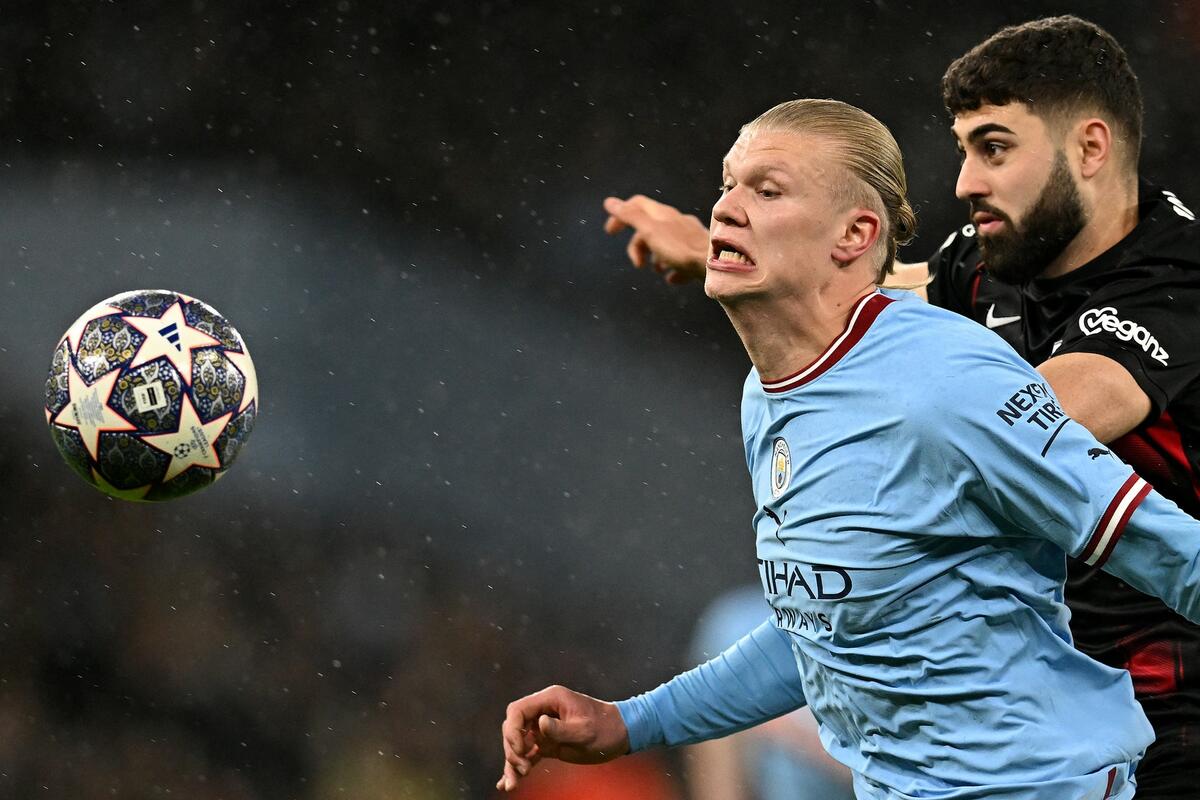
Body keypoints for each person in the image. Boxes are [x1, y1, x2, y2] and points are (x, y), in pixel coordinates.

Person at [499, 97, 1200, 799]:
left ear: (855, 234)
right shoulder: (767, 395)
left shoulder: (942, 383)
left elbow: (1169, 550)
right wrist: (627, 722)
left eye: (767, 191)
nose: (726, 209)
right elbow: (821, 630)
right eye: (728, 185)